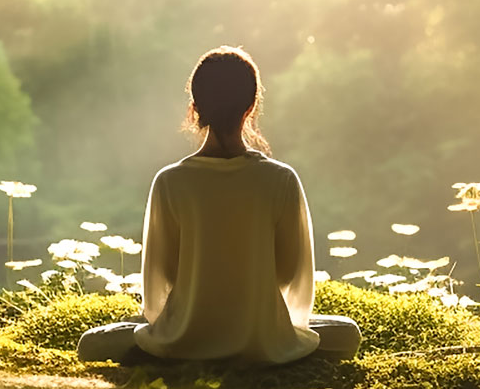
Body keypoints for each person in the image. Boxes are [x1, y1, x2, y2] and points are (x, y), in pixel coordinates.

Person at [76, 46, 363, 364]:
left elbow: (163, 278)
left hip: (186, 335)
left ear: (195, 107)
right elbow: (289, 273)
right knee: (347, 332)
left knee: (92, 344)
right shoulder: (280, 179)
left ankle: (188, 351)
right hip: (261, 336)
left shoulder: (171, 181)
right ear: (251, 106)